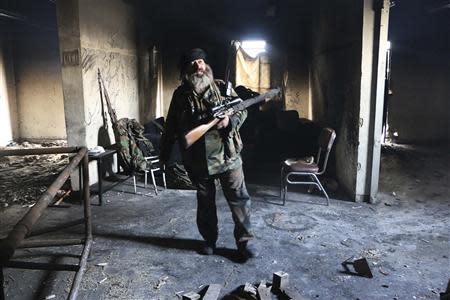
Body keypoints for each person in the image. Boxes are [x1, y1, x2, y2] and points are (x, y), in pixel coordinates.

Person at [160, 48, 258, 259]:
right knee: (205, 203)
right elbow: (171, 127)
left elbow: (242, 110)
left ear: (206, 65)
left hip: (228, 155)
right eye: (193, 63)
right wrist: (164, 155)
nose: (198, 66)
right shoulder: (180, 96)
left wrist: (229, 121)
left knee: (240, 200)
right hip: (198, 160)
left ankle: (245, 243)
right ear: (185, 70)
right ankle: (209, 240)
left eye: (201, 62)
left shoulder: (222, 87)